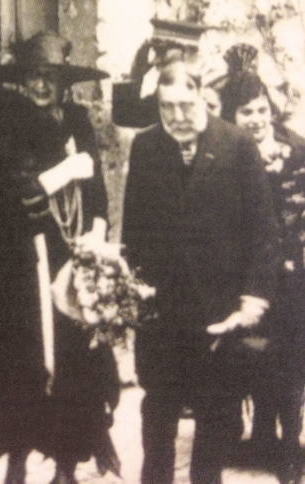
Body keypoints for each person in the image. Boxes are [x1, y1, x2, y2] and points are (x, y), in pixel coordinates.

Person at [0, 31, 119, 484]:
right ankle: (16, 460)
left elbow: (97, 191)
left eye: (51, 77)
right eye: (34, 76)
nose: (42, 85)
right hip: (20, 263)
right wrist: (63, 171)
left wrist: (98, 234)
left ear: (64, 81)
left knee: (74, 362)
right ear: (21, 80)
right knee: (22, 361)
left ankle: (67, 462)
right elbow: (10, 192)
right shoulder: (1, 122)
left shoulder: (79, 121)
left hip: (72, 259)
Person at [122, 58, 279, 484]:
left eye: (186, 104)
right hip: (162, 310)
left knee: (214, 415)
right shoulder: (146, 146)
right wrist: (131, 293)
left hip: (219, 310)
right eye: (167, 106)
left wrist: (252, 300)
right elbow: (133, 230)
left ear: (202, 98)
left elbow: (263, 231)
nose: (177, 116)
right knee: (158, 411)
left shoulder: (237, 145)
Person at [220, 66, 305, 484]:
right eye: (245, 112)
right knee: (257, 355)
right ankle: (260, 436)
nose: (255, 119)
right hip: (249, 274)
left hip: (294, 273)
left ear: (271, 109)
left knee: (291, 357)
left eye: (260, 109)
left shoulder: (298, 150)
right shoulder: (228, 154)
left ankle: (290, 447)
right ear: (231, 117)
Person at [112, 17, 206, 129]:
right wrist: (135, 74)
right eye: (155, 51)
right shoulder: (166, 92)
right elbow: (125, 117)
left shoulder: (203, 94)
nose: (155, 60)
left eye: (162, 51)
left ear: (186, 53)